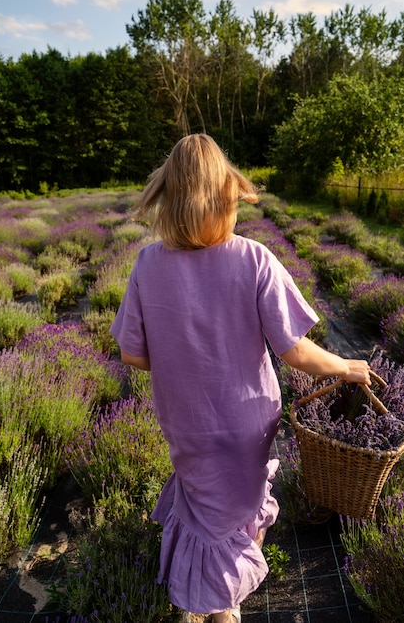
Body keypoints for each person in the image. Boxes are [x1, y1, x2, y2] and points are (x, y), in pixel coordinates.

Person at [110, 134, 370, 623]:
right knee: (241, 512)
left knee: (201, 504)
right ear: (224, 196)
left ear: (169, 198)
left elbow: (132, 355)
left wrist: (178, 357)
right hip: (248, 423)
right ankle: (222, 604)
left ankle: (204, 600)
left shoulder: (147, 264)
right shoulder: (253, 259)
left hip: (185, 422)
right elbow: (294, 352)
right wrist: (346, 366)